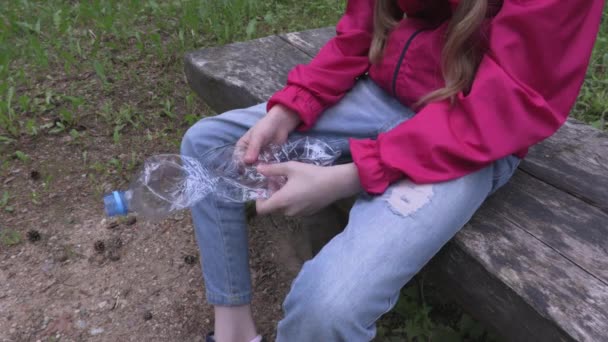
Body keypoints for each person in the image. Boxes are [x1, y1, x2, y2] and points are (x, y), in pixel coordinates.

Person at [181, 0, 604, 340]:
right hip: (385, 93)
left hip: (474, 131)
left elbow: (512, 102)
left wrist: (350, 175)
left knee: (328, 307)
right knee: (207, 145)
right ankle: (233, 332)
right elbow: (362, 26)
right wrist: (294, 106)